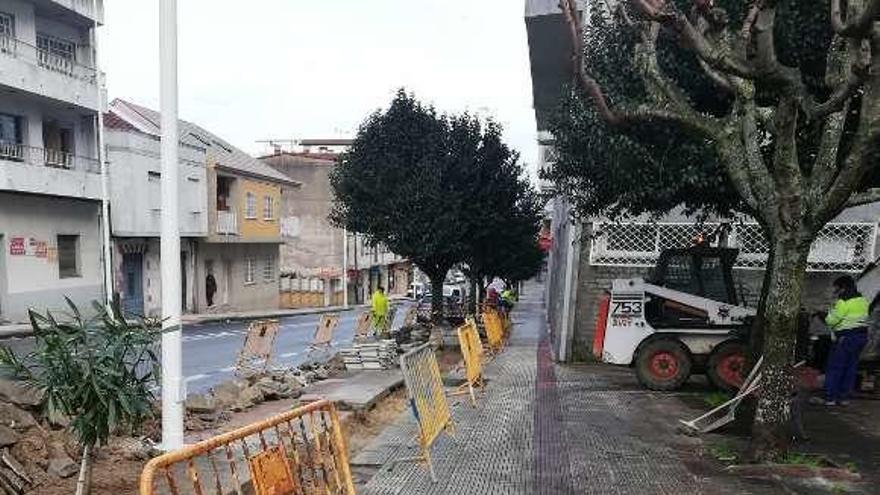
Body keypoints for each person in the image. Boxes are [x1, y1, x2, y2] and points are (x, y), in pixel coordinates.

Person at [818, 275, 870, 406]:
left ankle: (830, 398)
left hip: (845, 338)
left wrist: (822, 314)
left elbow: (832, 321)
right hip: (861, 337)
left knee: (835, 367)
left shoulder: (843, 302)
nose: (836, 291)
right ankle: (843, 397)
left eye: (837, 288)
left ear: (843, 287)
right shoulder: (863, 300)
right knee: (850, 367)